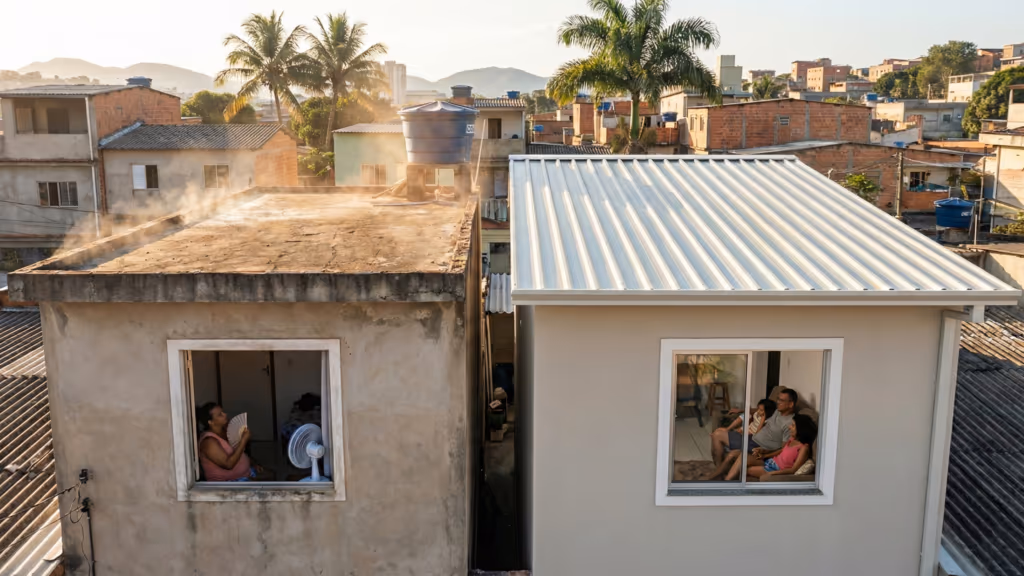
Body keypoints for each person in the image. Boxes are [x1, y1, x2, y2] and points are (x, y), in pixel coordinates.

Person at [711, 389, 798, 466]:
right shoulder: (778, 411)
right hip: (752, 438)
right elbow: (759, 410)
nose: (778, 402)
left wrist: (765, 453)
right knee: (716, 434)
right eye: (778, 399)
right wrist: (741, 410)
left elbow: (783, 447)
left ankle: (718, 469)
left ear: (790, 404)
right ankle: (719, 468)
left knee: (717, 435)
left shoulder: (790, 423)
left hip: (757, 445)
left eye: (781, 400)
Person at [741, 413, 817, 481]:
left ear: (801, 429)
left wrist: (774, 473)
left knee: (747, 470)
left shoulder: (804, 448)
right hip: (771, 462)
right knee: (744, 458)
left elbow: (793, 469)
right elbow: (782, 450)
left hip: (776, 469)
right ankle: (729, 480)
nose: (790, 427)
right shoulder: (792, 439)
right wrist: (765, 456)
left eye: (793, 426)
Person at [196, 402, 254, 482]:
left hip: (246, 473)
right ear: (210, 422)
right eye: (220, 414)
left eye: (223, 412)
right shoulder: (208, 442)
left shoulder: (225, 431)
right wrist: (243, 440)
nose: (225, 415)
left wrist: (252, 463)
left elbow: (239, 452)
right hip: (228, 484)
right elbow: (228, 464)